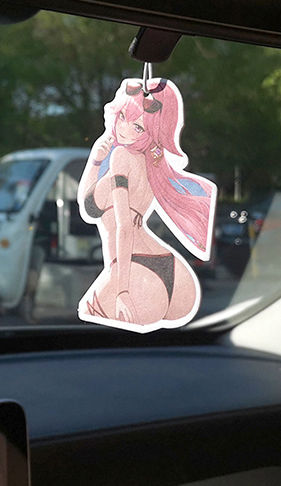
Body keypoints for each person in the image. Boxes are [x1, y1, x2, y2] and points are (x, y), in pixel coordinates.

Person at [78, 77, 216, 331]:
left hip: (134, 271)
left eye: (138, 127)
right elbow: (90, 204)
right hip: (176, 276)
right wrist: (96, 161)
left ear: (152, 131)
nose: (124, 128)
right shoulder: (154, 166)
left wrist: (122, 290)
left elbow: (124, 227)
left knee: (85, 337)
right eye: (122, 117)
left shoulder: (122, 156)